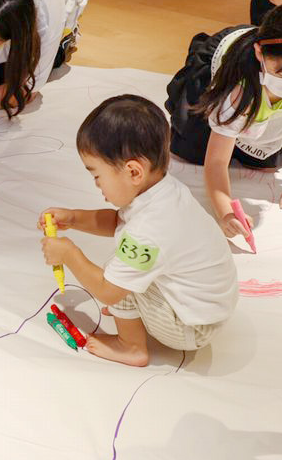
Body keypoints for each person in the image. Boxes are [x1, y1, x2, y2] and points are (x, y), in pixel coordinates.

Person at [39, 96, 238, 367]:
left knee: (115, 274)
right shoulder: (163, 192)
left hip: (190, 329)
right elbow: (117, 222)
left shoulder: (150, 229)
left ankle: (131, 347)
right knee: (125, 270)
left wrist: (70, 254)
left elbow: (108, 292)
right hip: (206, 310)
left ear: (133, 172)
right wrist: (73, 218)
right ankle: (135, 317)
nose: (97, 185)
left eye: (97, 176)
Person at [165, 0, 282, 239]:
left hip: (265, 100)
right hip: (233, 78)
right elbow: (216, 162)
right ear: (260, 52)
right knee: (190, 153)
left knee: (264, 163)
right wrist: (225, 211)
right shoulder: (238, 88)